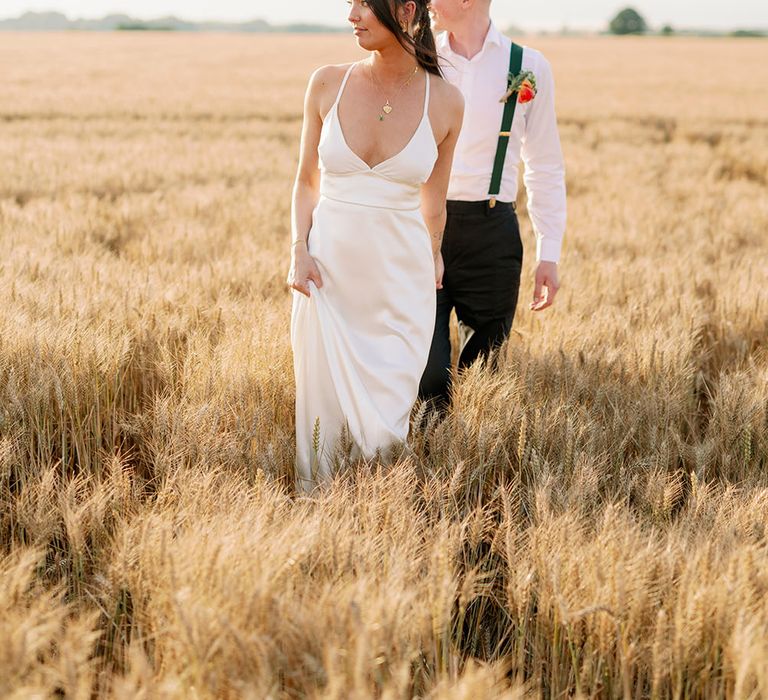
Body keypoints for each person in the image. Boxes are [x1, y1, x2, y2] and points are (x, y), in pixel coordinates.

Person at [287, 0, 464, 493]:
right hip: (327, 279)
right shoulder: (327, 82)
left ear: (407, 9)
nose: (352, 15)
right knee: (323, 430)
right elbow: (305, 181)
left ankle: (382, 524)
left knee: (386, 429)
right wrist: (297, 250)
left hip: (398, 286)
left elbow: (436, 203)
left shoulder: (447, 101)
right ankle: (322, 534)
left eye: (365, 3)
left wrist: (434, 252)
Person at [419, 0, 567, 410]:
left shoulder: (528, 66)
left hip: (492, 233)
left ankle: (466, 461)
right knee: (427, 373)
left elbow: (545, 165)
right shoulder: (420, 57)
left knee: (483, 372)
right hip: (423, 226)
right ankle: (427, 464)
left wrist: (548, 253)